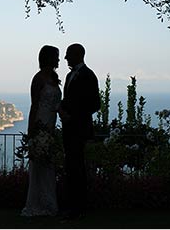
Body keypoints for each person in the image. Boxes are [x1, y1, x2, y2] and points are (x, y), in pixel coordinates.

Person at [58, 43, 101, 219]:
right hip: (69, 129)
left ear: (78, 55)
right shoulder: (69, 75)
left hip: (79, 129)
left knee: (77, 168)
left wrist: (72, 116)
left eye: (68, 54)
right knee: (71, 166)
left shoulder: (89, 76)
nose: (66, 58)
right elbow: (68, 99)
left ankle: (78, 206)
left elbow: (95, 105)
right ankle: (72, 205)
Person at [20, 45, 62, 217]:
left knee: (48, 166)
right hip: (41, 125)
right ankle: (37, 205)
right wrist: (32, 131)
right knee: (39, 166)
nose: (59, 60)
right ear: (48, 58)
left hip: (51, 126)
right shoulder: (38, 79)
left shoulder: (53, 77)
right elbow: (34, 105)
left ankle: (48, 204)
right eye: (56, 57)